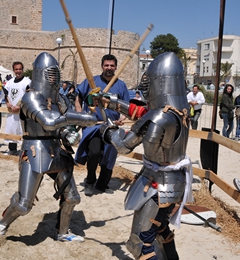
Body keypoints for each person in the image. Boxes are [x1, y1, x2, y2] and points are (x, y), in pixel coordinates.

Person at [98, 52, 193, 259]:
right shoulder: (181, 109)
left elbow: (124, 146)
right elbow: (140, 112)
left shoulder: (159, 117)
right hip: (173, 182)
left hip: (158, 187)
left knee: (139, 243)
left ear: (158, 83)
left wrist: (108, 131)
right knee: (160, 230)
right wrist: (110, 102)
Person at [0, 52, 97, 242]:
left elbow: (64, 123)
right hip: (34, 150)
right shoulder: (30, 98)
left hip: (56, 149)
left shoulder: (60, 100)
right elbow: (49, 121)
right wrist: (86, 118)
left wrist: (71, 131)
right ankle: (2, 223)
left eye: (55, 74)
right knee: (23, 204)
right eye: (51, 74)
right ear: (41, 74)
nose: (54, 78)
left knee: (73, 197)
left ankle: (63, 233)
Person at [74, 54, 130, 196]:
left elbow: (126, 107)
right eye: (106, 65)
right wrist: (80, 115)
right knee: (93, 153)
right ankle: (90, 181)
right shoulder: (92, 82)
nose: (109, 68)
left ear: (116, 67)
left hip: (112, 127)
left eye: (112, 66)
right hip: (94, 127)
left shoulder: (121, 85)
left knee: (109, 156)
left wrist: (122, 118)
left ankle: (102, 185)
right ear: (102, 66)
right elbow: (78, 98)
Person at [3, 61, 31, 155]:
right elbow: (6, 93)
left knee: (23, 131)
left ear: (22, 70)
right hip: (12, 111)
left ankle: (24, 152)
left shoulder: (27, 81)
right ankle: (12, 149)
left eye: (20, 69)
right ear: (13, 70)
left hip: (22, 112)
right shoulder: (10, 82)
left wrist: (19, 106)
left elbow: (29, 95)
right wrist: (8, 103)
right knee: (11, 128)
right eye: (16, 69)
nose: (18, 71)